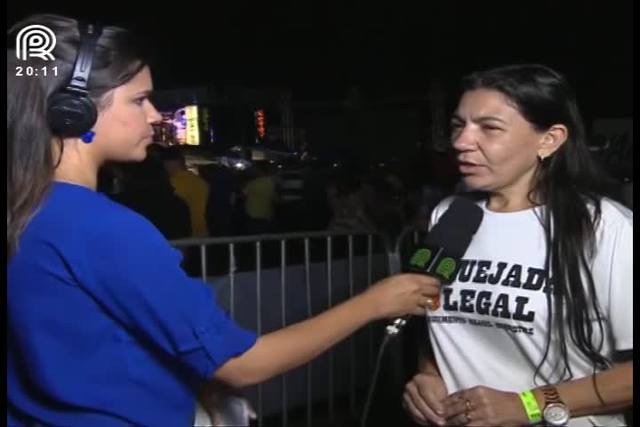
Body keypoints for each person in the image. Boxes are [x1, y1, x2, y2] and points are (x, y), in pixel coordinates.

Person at [7, 14, 441, 426]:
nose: (156, 115)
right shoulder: (101, 227)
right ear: (74, 111)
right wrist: (374, 303)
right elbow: (241, 364)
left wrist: (195, 383)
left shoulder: (29, 209)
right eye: (139, 100)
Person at [402, 64, 632, 427]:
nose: (461, 141)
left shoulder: (606, 227)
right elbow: (434, 313)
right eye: (459, 125)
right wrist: (429, 374)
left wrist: (529, 404)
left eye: (489, 128)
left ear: (549, 139)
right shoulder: (450, 214)